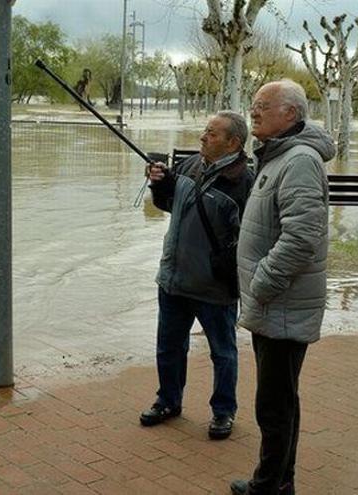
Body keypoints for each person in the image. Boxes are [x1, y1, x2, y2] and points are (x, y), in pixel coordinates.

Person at [230, 80, 335, 494]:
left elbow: (302, 236)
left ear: (291, 114)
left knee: (274, 405)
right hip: (274, 302)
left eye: (263, 105)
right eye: (252, 104)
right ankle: (278, 482)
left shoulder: (300, 161)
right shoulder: (278, 157)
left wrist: (262, 282)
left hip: (281, 302)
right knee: (280, 401)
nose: (253, 111)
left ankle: (267, 486)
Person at [140, 111, 255, 440]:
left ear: (233, 143)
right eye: (205, 131)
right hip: (174, 279)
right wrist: (159, 183)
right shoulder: (190, 166)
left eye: (212, 134)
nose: (203, 137)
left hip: (214, 287)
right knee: (168, 347)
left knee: (223, 352)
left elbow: (251, 238)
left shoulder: (244, 182)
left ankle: (223, 412)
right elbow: (168, 204)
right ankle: (168, 401)